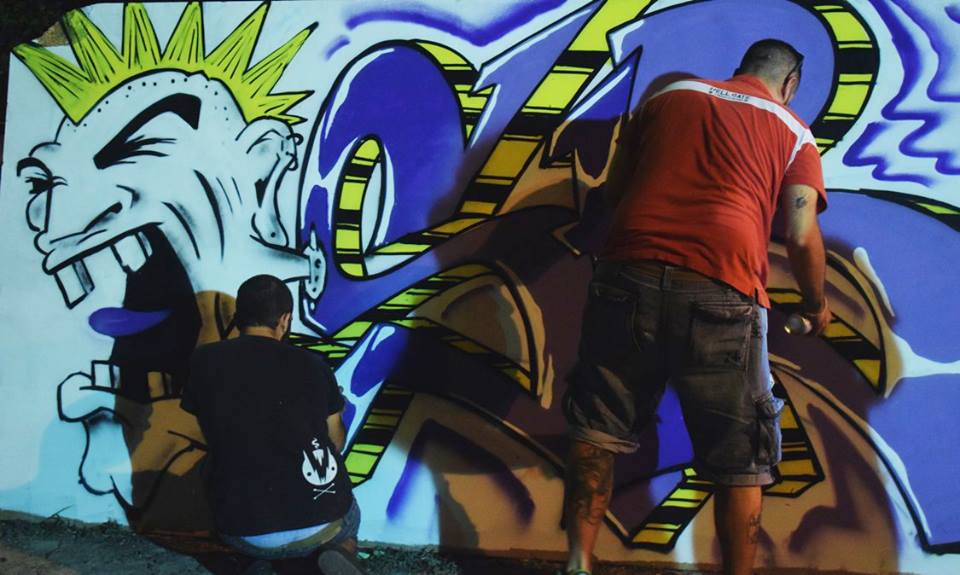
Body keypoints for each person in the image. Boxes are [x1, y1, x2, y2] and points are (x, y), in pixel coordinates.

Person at [562, 39, 830, 575]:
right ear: (790, 83)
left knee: (599, 426)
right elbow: (802, 236)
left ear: (739, 67)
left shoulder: (668, 96)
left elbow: (615, 192)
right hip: (723, 288)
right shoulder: (794, 131)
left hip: (628, 274)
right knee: (741, 454)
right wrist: (815, 304)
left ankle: (577, 564)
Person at [182, 274, 361, 572]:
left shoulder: (203, 361)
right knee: (349, 520)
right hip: (322, 522)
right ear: (285, 320)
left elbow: (211, 433)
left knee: (211, 469)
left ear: (238, 317)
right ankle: (340, 549)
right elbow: (336, 443)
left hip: (245, 528)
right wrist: (333, 409)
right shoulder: (314, 365)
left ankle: (255, 559)